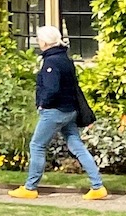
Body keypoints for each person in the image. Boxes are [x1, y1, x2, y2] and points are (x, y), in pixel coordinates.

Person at [10, 26, 110, 201]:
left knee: (37, 146)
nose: (39, 42)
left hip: (55, 111)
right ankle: (97, 186)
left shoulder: (51, 62)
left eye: (40, 39)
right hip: (70, 110)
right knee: (77, 146)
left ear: (46, 42)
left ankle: (30, 187)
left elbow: (51, 89)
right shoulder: (65, 58)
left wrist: (42, 104)